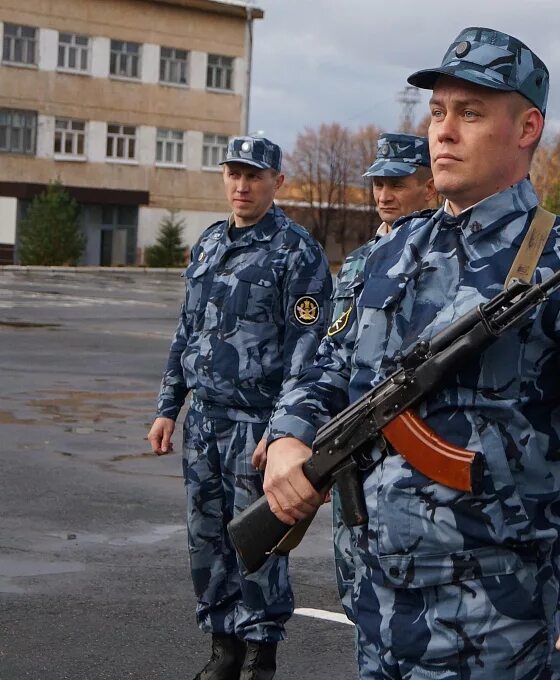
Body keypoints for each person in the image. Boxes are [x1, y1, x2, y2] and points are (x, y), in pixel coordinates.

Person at [262, 28, 560, 679]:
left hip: (497, 619)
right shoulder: (389, 256)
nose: (443, 133)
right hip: (378, 602)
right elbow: (328, 369)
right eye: (437, 112)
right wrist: (289, 435)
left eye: (471, 113)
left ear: (527, 127)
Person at [147, 135, 332, 680]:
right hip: (204, 419)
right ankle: (222, 646)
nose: (242, 185)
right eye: (234, 174)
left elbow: (309, 349)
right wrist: (168, 406)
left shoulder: (297, 251)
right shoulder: (207, 244)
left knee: (258, 541)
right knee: (205, 537)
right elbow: (188, 330)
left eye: (254, 175)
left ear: (277, 181)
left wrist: (282, 432)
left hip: (257, 424)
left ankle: (259, 654)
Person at [329, 132, 436, 617]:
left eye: (397, 183)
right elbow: (333, 349)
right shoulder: (359, 262)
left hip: (409, 447)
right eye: (378, 183)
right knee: (354, 583)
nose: (384, 195)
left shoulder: (441, 259)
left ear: (430, 188)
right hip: (351, 437)